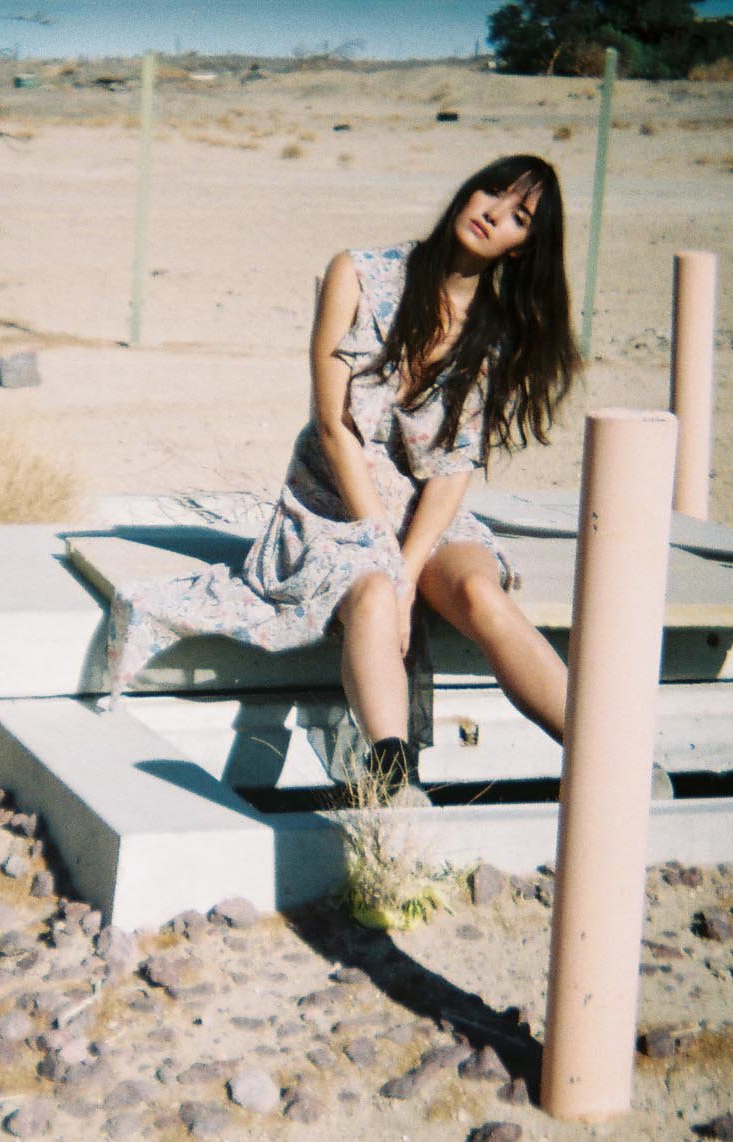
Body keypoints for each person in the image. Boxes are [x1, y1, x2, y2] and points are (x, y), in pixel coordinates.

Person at [107, 154, 580, 804]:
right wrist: (386, 560)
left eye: (518, 216)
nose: (493, 214)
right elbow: (333, 426)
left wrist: (409, 565)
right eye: (491, 191)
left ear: (522, 247)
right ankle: (393, 782)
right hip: (333, 504)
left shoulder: (493, 331)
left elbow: (453, 468)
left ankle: (609, 760)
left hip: (427, 514)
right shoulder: (359, 273)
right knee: (374, 592)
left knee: (480, 593)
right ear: (468, 190)